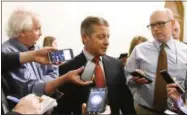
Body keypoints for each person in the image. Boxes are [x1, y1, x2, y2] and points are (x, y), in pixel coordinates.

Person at [2, 9, 93, 100]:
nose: (41, 34)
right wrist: (62, 79)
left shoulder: (37, 49)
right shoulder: (7, 54)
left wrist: (43, 84)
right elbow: (32, 91)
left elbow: (53, 71)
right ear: (22, 32)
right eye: (37, 29)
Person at [56, 16, 136, 114]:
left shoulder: (116, 64)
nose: (107, 42)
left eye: (108, 37)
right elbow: (63, 109)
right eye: (101, 37)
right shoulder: (67, 69)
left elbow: (126, 102)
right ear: (85, 38)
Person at [125, 8, 187, 115]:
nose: (155, 29)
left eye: (160, 24)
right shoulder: (139, 50)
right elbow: (128, 76)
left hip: (176, 111)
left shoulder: (185, 51)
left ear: (171, 23)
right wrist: (134, 80)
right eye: (152, 25)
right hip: (145, 110)